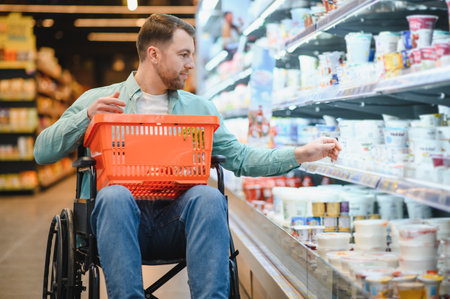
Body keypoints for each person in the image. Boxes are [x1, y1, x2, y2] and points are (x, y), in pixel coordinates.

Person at [34, 13, 341, 299]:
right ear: (154, 55)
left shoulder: (199, 108)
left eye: (192, 55)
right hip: (118, 224)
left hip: (177, 224)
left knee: (207, 197)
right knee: (114, 195)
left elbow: (241, 158)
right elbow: (42, 151)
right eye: (184, 55)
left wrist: (301, 154)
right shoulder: (101, 100)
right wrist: (85, 117)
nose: (191, 64)